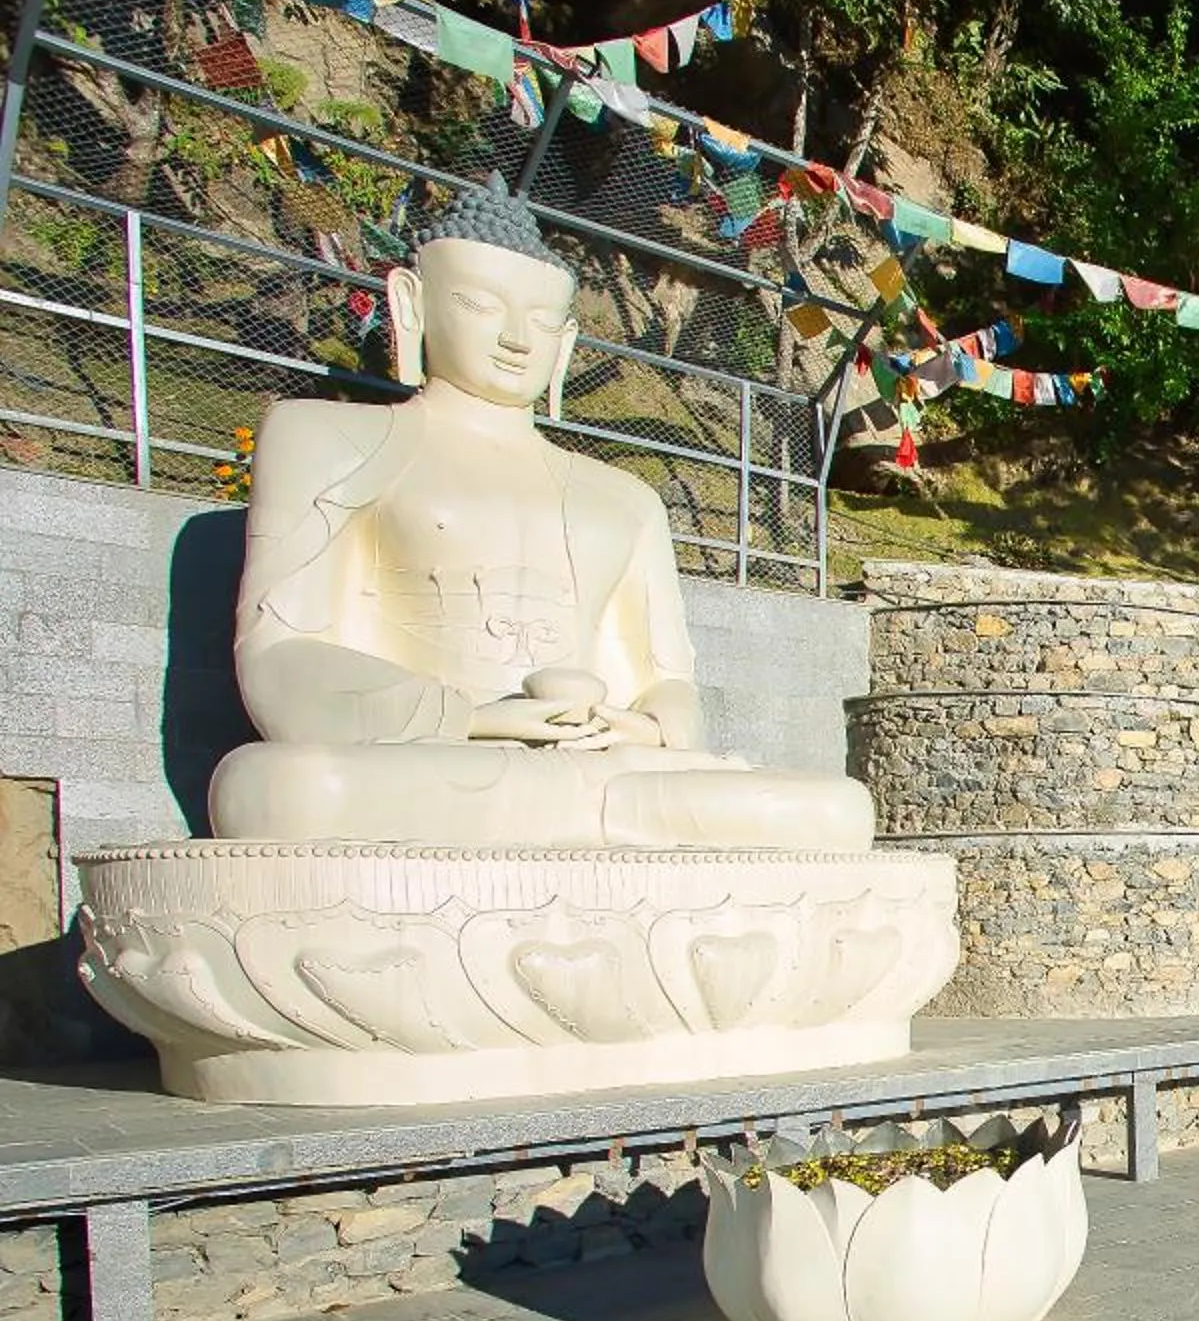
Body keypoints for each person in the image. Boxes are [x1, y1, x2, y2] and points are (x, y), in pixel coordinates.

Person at [205, 175, 874, 851]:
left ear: (567, 339)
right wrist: (479, 719)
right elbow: (279, 658)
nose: (517, 339)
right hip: (438, 761)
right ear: (412, 303)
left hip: (601, 769)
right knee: (278, 790)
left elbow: (669, 690)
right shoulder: (325, 438)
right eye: (480, 304)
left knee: (836, 812)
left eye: (542, 320)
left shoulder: (624, 497)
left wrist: (637, 727)